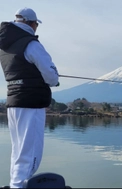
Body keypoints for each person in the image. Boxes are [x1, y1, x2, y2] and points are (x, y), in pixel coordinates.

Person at [0, 7, 59, 188]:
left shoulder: (5, 47)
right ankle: (19, 186)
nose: (36, 28)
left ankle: (15, 184)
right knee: (31, 152)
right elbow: (50, 75)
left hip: (13, 103)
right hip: (31, 103)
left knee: (19, 151)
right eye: (36, 25)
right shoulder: (31, 44)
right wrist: (55, 79)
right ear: (31, 24)